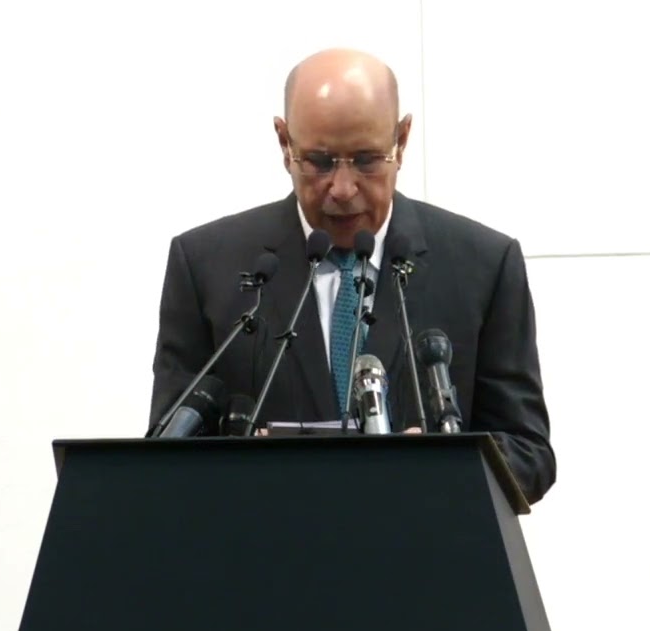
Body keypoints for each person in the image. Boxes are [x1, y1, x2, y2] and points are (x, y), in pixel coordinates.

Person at [148, 48, 556, 504]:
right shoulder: (205, 265)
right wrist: (250, 471)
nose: (342, 189)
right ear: (284, 143)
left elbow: (528, 453)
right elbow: (166, 454)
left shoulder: (483, 265)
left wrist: (442, 469)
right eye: (319, 161)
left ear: (402, 139)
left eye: (366, 159)